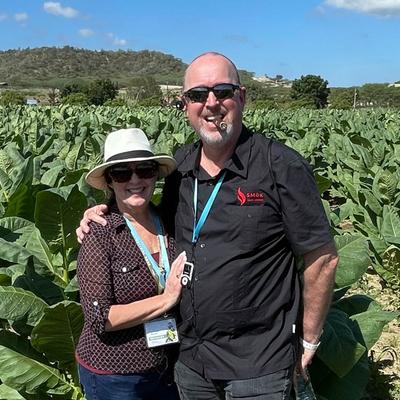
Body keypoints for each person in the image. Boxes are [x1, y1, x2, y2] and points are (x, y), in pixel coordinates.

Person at [77, 53, 338, 400]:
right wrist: (104, 212)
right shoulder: (181, 168)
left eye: (223, 92)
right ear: (185, 105)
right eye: (198, 95)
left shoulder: (280, 166)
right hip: (190, 361)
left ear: (242, 97)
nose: (211, 103)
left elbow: (322, 257)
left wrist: (309, 339)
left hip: (258, 364)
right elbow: (145, 212)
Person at [76, 127, 186, 400]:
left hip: (167, 366)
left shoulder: (171, 220)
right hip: (116, 376)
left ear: (155, 175)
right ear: (110, 181)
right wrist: (166, 299)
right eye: (122, 173)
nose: (135, 179)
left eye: (145, 170)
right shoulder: (100, 233)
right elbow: (100, 317)